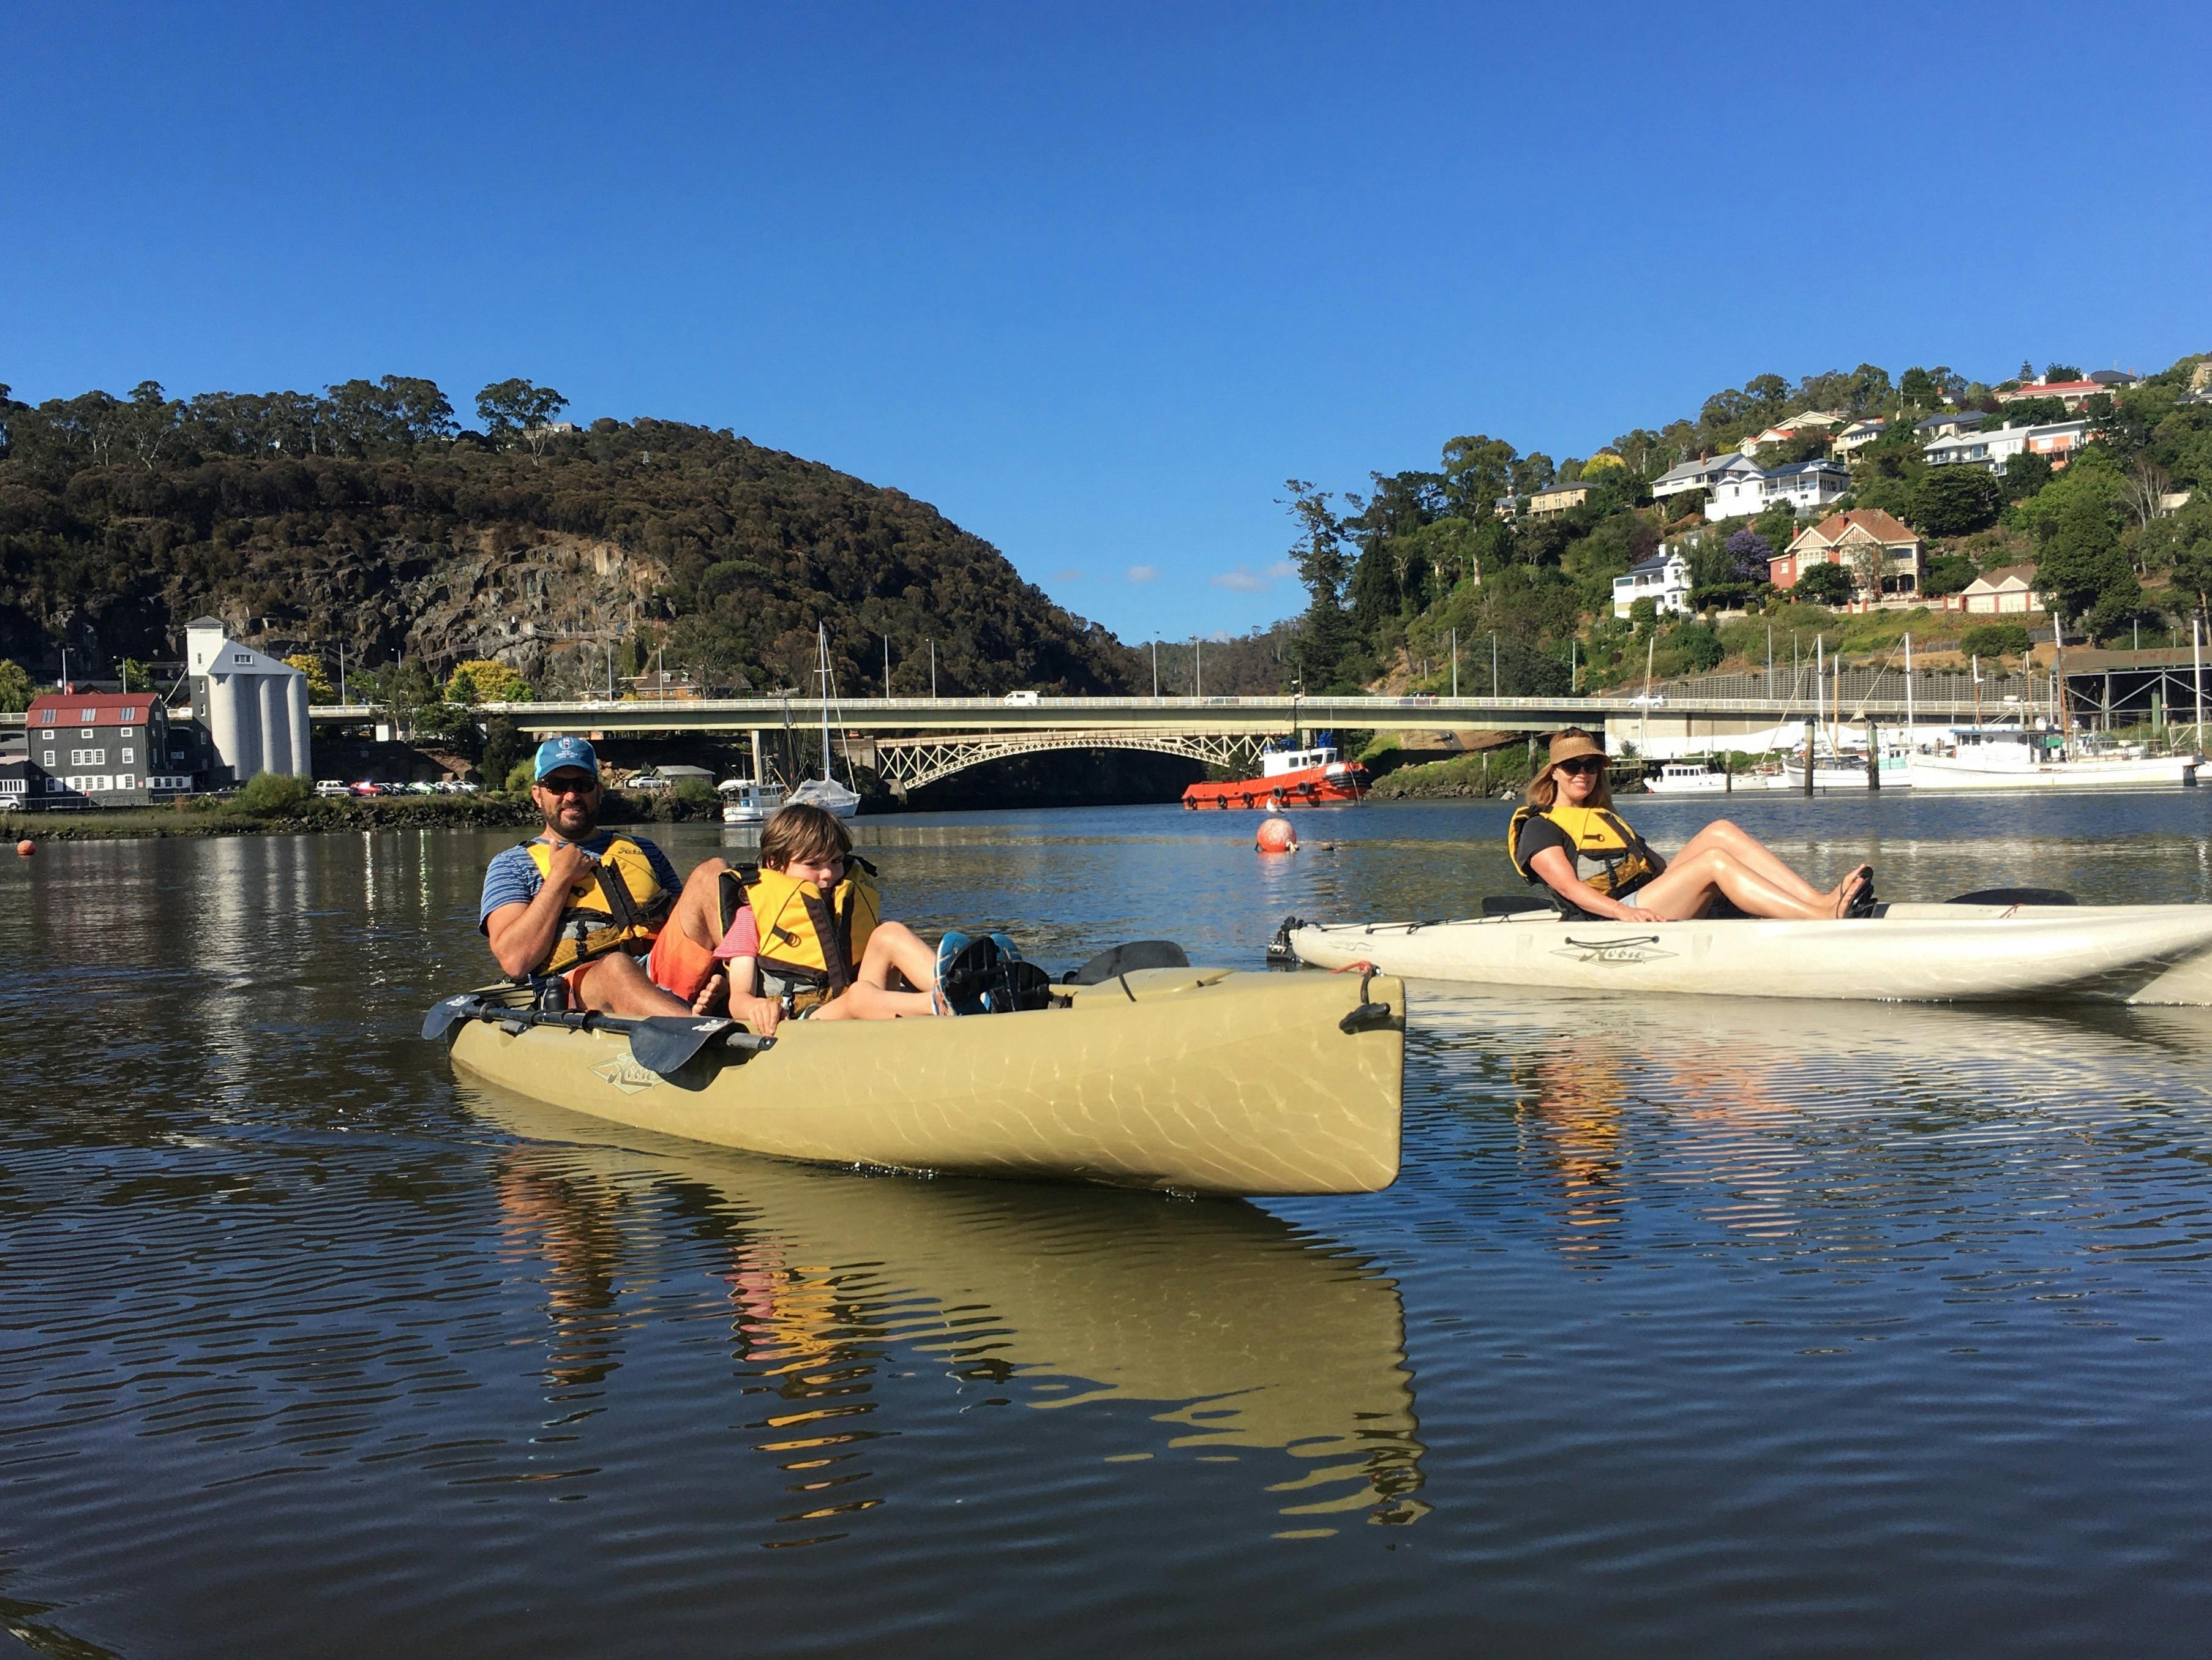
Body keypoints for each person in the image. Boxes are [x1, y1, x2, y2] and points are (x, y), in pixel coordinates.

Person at [479, 737, 733, 1016]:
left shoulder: (644, 850)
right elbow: (515, 961)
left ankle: (741, 988)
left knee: (714, 871)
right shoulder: (511, 864)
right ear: (538, 794)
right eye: (558, 786)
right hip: (580, 987)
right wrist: (560, 878)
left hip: (657, 967)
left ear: (599, 791)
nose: (572, 796)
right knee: (616, 966)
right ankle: (694, 1030)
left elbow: (687, 918)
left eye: (583, 785)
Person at [1509, 729, 1871, 922]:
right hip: (1608, 915)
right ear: (1554, 772)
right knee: (1714, 861)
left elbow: (1662, 869)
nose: (1583, 774)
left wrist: (1710, 890)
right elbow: (1571, 890)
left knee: (1721, 831)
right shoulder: (1540, 827)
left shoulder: (1603, 815)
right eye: (1573, 766)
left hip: (1648, 896)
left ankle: (1819, 901)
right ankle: (1817, 917)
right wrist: (1624, 912)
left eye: (1591, 766)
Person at [713, 803, 1010, 1026]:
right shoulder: (750, 917)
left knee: (889, 932)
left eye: (836, 861)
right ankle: (947, 1002)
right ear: (775, 863)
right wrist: (755, 1008)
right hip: (803, 1022)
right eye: (813, 865)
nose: (828, 874)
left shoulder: (848, 902)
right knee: (857, 997)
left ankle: (970, 984)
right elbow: (738, 998)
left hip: (858, 1003)